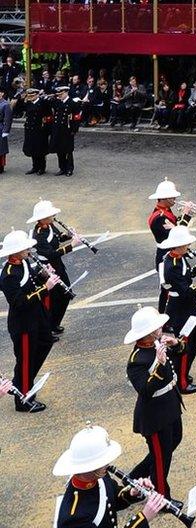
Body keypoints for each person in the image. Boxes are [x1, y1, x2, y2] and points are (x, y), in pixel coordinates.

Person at [53, 423, 166, 528]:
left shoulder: (98, 476)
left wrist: (133, 493)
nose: (108, 463)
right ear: (89, 466)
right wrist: (143, 518)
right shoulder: (73, 519)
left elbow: (112, 497)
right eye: (102, 461)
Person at [123, 307, 185, 505]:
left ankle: (135, 477)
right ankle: (162, 499)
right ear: (148, 333)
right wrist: (159, 364)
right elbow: (145, 389)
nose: (161, 329)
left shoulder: (158, 343)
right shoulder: (137, 360)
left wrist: (176, 343)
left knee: (173, 442)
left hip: (170, 404)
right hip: (155, 415)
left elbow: (181, 351)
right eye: (156, 327)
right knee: (161, 459)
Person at [0, 229, 59, 412]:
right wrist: (46, 288)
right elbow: (19, 302)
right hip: (23, 323)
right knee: (25, 360)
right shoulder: (9, 274)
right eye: (25, 248)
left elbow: (32, 281)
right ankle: (23, 400)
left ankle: (21, 383)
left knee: (45, 343)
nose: (29, 250)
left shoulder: (24, 262)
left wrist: (44, 276)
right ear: (15, 252)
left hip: (36, 317)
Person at [158, 226, 196, 394]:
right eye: (186, 243)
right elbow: (186, 292)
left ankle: (184, 370)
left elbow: (185, 275)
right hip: (181, 308)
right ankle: (181, 382)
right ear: (178, 245)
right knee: (185, 343)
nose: (189, 244)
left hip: (187, 306)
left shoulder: (178, 257)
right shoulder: (172, 265)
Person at [27, 200, 81, 334]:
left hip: (57, 265)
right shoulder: (39, 234)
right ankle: (48, 327)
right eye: (50, 215)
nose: (53, 216)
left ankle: (54, 323)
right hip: (47, 267)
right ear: (43, 218)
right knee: (53, 299)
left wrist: (68, 235)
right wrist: (71, 245)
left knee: (65, 294)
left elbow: (58, 237)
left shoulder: (50, 225)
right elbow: (51, 254)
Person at [148, 178, 195, 311]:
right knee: (168, 290)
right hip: (165, 256)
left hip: (172, 252)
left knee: (181, 283)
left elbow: (175, 227)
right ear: (164, 197)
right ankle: (165, 317)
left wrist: (185, 216)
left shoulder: (166, 211)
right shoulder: (159, 218)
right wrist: (185, 215)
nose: (175, 198)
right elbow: (177, 234)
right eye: (172, 196)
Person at [22, 88, 48, 175]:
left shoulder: (42, 103)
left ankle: (42, 167)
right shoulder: (28, 103)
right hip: (30, 128)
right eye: (29, 96)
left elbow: (47, 115)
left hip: (39, 129)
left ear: (37, 95)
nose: (30, 97)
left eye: (32, 96)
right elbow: (22, 109)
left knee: (40, 149)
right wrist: (23, 100)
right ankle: (35, 167)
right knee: (32, 148)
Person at [0, 88, 11, 173]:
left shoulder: (5, 104)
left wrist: (6, 130)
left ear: (2, 94)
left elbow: (7, 119)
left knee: (1, 149)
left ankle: (1, 166)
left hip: (0, 128)